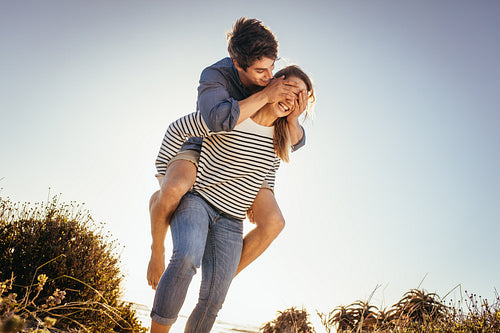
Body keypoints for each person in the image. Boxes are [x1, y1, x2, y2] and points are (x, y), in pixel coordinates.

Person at [151, 65, 315, 332]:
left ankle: (218, 277)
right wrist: (164, 179)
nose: (291, 99)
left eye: (300, 98)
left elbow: (269, 168)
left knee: (214, 298)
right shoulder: (232, 114)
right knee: (185, 259)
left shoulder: (281, 137)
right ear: (273, 84)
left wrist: (261, 194)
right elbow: (177, 129)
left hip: (232, 218)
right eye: (289, 89)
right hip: (198, 200)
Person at [147, 17, 307, 290]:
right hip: (203, 144)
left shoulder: (273, 82)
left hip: (241, 163)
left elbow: (276, 149)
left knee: (274, 221)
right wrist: (164, 171)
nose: (269, 77)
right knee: (173, 189)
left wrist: (265, 187)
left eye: (272, 67)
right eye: (260, 71)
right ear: (238, 64)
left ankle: (220, 280)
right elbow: (215, 120)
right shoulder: (214, 76)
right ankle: (157, 249)